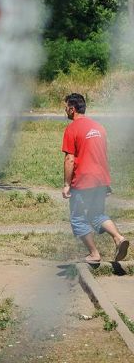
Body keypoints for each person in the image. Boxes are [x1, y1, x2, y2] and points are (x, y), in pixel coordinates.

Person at [61, 93, 129, 264]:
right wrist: (105, 181)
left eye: (66, 107)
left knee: (77, 218)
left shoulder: (72, 128)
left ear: (72, 109)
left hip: (84, 181)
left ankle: (94, 254)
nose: (65, 110)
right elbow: (101, 155)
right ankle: (119, 238)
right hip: (101, 179)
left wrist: (67, 184)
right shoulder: (99, 127)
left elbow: (70, 159)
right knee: (97, 214)